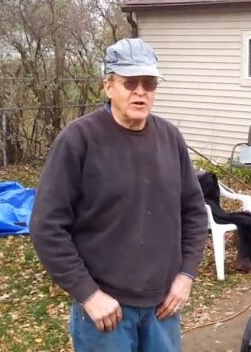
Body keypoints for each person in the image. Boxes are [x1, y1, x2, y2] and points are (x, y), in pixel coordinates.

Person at [29, 38, 208, 352]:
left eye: (149, 83)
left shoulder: (170, 138)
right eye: (130, 83)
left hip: (163, 308)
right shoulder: (78, 140)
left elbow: (193, 212)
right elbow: (47, 227)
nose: (140, 92)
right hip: (106, 313)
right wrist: (88, 294)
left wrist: (186, 274)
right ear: (108, 86)